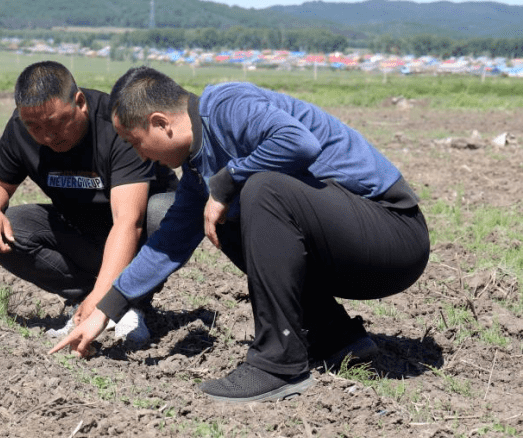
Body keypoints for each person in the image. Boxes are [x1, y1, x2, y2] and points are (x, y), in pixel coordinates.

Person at [51, 66, 430, 403]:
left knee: (261, 190)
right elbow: (166, 245)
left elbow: (298, 142)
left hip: (393, 236)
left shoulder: (228, 105)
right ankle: (337, 339)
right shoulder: (199, 169)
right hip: (353, 247)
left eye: (135, 142)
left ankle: (278, 364)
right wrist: (105, 310)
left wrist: (226, 183)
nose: (142, 156)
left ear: (161, 122)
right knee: (223, 218)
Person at [0, 61, 179, 346]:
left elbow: (128, 222)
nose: (47, 136)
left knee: (164, 211)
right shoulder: (22, 128)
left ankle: (131, 302)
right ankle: (85, 298)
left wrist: (105, 299)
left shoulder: (116, 125)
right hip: (82, 232)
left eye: (57, 122)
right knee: (12, 229)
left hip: (141, 236)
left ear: (80, 102)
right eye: (35, 127)